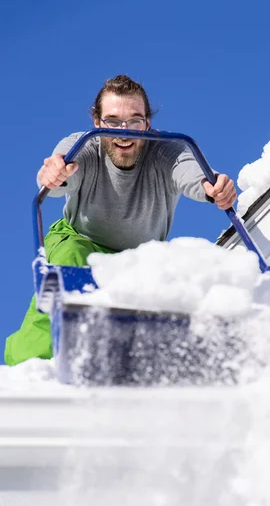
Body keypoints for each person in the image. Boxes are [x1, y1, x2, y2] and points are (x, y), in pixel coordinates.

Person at [5, 74, 237, 365]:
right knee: (71, 268)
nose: (124, 133)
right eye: (113, 122)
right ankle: (33, 366)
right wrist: (54, 175)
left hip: (136, 260)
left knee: (171, 288)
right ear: (98, 122)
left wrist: (213, 188)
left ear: (147, 124)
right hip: (81, 241)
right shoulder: (86, 146)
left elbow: (190, 171)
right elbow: (60, 168)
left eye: (135, 121)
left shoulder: (165, 151)